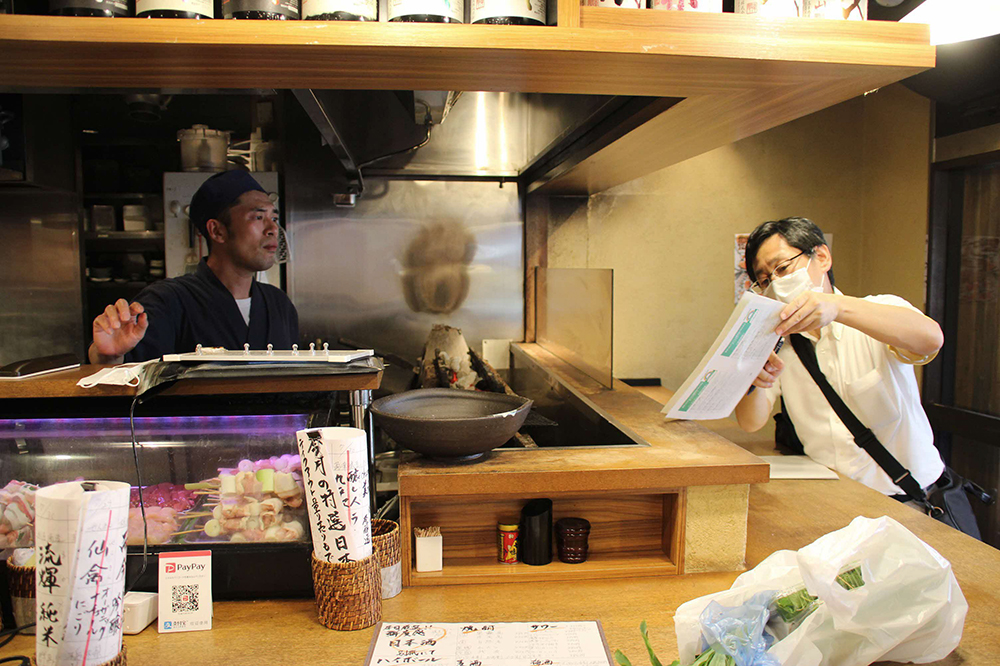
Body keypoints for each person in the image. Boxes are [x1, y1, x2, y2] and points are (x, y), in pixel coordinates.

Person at [734, 217, 945, 499]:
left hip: (908, 500)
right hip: (832, 500)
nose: (777, 282)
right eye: (765, 279)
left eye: (783, 268)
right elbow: (750, 422)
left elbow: (931, 339)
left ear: (821, 257)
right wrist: (753, 377)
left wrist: (837, 307)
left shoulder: (880, 310)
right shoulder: (780, 344)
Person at [88, 171, 299, 364]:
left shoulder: (279, 304)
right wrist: (107, 354)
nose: (273, 229)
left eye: (274, 218)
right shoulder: (169, 301)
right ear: (217, 231)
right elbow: (122, 371)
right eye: (259, 217)